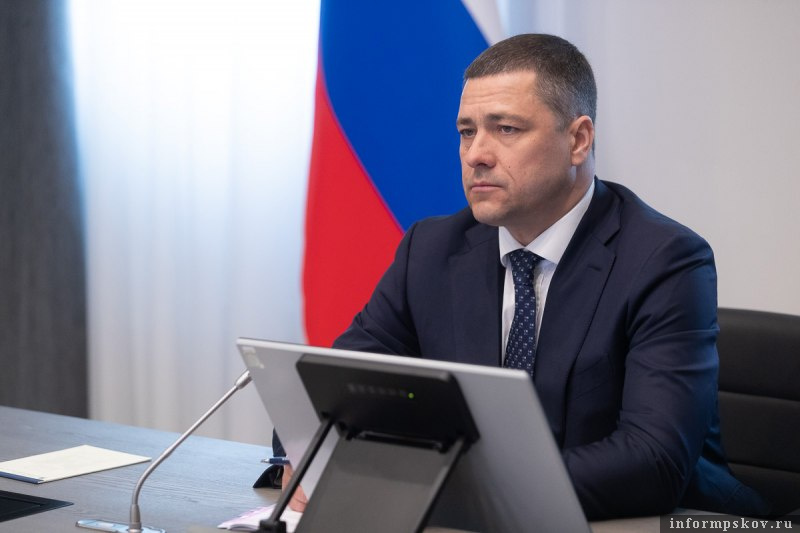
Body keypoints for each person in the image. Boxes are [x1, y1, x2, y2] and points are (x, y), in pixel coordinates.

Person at [277, 33, 769, 520]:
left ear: (578, 140)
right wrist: (309, 450)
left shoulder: (664, 260)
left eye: (506, 129)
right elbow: (332, 391)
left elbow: (651, 462)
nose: (476, 154)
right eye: (467, 132)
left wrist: (453, 489)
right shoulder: (431, 249)